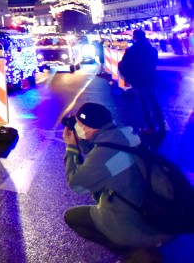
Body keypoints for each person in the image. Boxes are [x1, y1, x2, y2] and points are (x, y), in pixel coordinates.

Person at [62, 102, 173, 258]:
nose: (78, 128)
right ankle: (140, 248)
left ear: (90, 128)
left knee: (72, 217)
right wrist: (82, 140)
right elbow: (103, 161)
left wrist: (71, 148)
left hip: (133, 223)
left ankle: (133, 252)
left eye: (80, 125)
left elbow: (77, 184)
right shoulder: (123, 135)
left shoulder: (105, 155)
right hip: (151, 213)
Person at [118, 29, 164, 144]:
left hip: (138, 81)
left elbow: (123, 65)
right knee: (154, 101)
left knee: (144, 103)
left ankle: (150, 126)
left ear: (135, 38)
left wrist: (128, 78)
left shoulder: (131, 51)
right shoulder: (152, 50)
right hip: (150, 79)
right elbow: (154, 63)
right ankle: (161, 123)